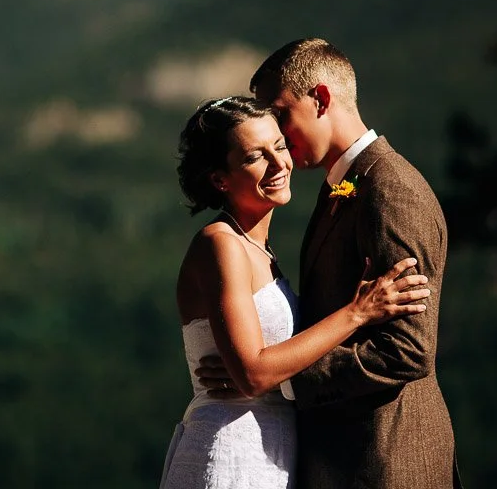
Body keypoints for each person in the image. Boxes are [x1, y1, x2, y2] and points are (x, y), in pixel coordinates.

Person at [199, 39, 461, 488]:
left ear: (320, 99)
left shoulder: (391, 190)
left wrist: (279, 383)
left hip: (385, 459)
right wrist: (262, 364)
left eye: (279, 115)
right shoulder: (341, 188)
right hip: (344, 460)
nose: (276, 137)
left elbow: (408, 350)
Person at [159, 95, 432, 489]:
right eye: (256, 156)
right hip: (231, 453)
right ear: (220, 179)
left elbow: (271, 364)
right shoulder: (220, 244)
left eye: (280, 146)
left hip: (274, 454)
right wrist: (357, 312)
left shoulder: (261, 251)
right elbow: (253, 375)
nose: (279, 163)